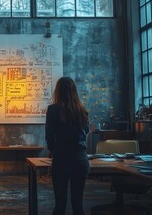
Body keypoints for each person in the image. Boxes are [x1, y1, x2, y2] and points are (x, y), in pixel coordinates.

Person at [45, 76, 90, 215]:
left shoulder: (53, 110)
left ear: (58, 91)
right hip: (80, 159)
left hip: (61, 159)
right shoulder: (82, 110)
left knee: (60, 205)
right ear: (74, 91)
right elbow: (85, 133)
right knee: (78, 205)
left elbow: (49, 138)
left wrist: (56, 150)